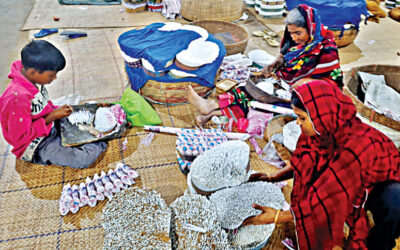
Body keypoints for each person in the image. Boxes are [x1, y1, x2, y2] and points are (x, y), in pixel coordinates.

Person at [244, 80, 400, 249]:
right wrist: (272, 177)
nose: (298, 122)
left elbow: (328, 198)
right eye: (297, 116)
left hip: (376, 186)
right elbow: (301, 164)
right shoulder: (318, 132)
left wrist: (277, 217)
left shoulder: (355, 148)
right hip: (345, 179)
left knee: (393, 205)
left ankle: (381, 242)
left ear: (321, 117)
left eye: (302, 117)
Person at [0, 40, 108, 169]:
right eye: (51, 75)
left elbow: (44, 106)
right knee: (81, 159)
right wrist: (51, 117)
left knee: (84, 115)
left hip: (49, 126)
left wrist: (56, 111)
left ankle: (93, 135)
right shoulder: (16, 99)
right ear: (34, 72)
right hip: (35, 143)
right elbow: (19, 138)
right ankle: (100, 139)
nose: (55, 78)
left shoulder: (33, 78)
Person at [262, 4, 343, 88]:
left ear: (311, 28)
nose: (294, 38)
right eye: (291, 33)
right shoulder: (300, 42)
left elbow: (335, 82)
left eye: (298, 33)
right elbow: (288, 57)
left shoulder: (328, 49)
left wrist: (308, 81)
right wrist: (277, 61)